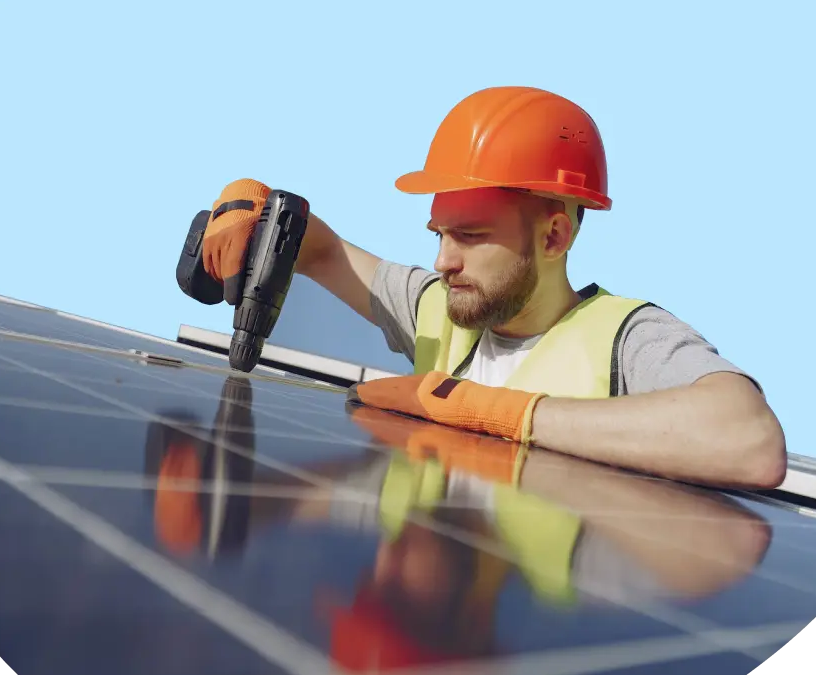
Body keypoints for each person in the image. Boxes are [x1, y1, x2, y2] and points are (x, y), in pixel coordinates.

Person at [200, 86, 787, 489]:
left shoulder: (624, 340)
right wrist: (250, 201)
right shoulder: (442, 307)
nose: (442, 260)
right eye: (438, 233)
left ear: (554, 236)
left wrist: (491, 413)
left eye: (471, 235)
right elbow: (319, 249)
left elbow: (749, 440)